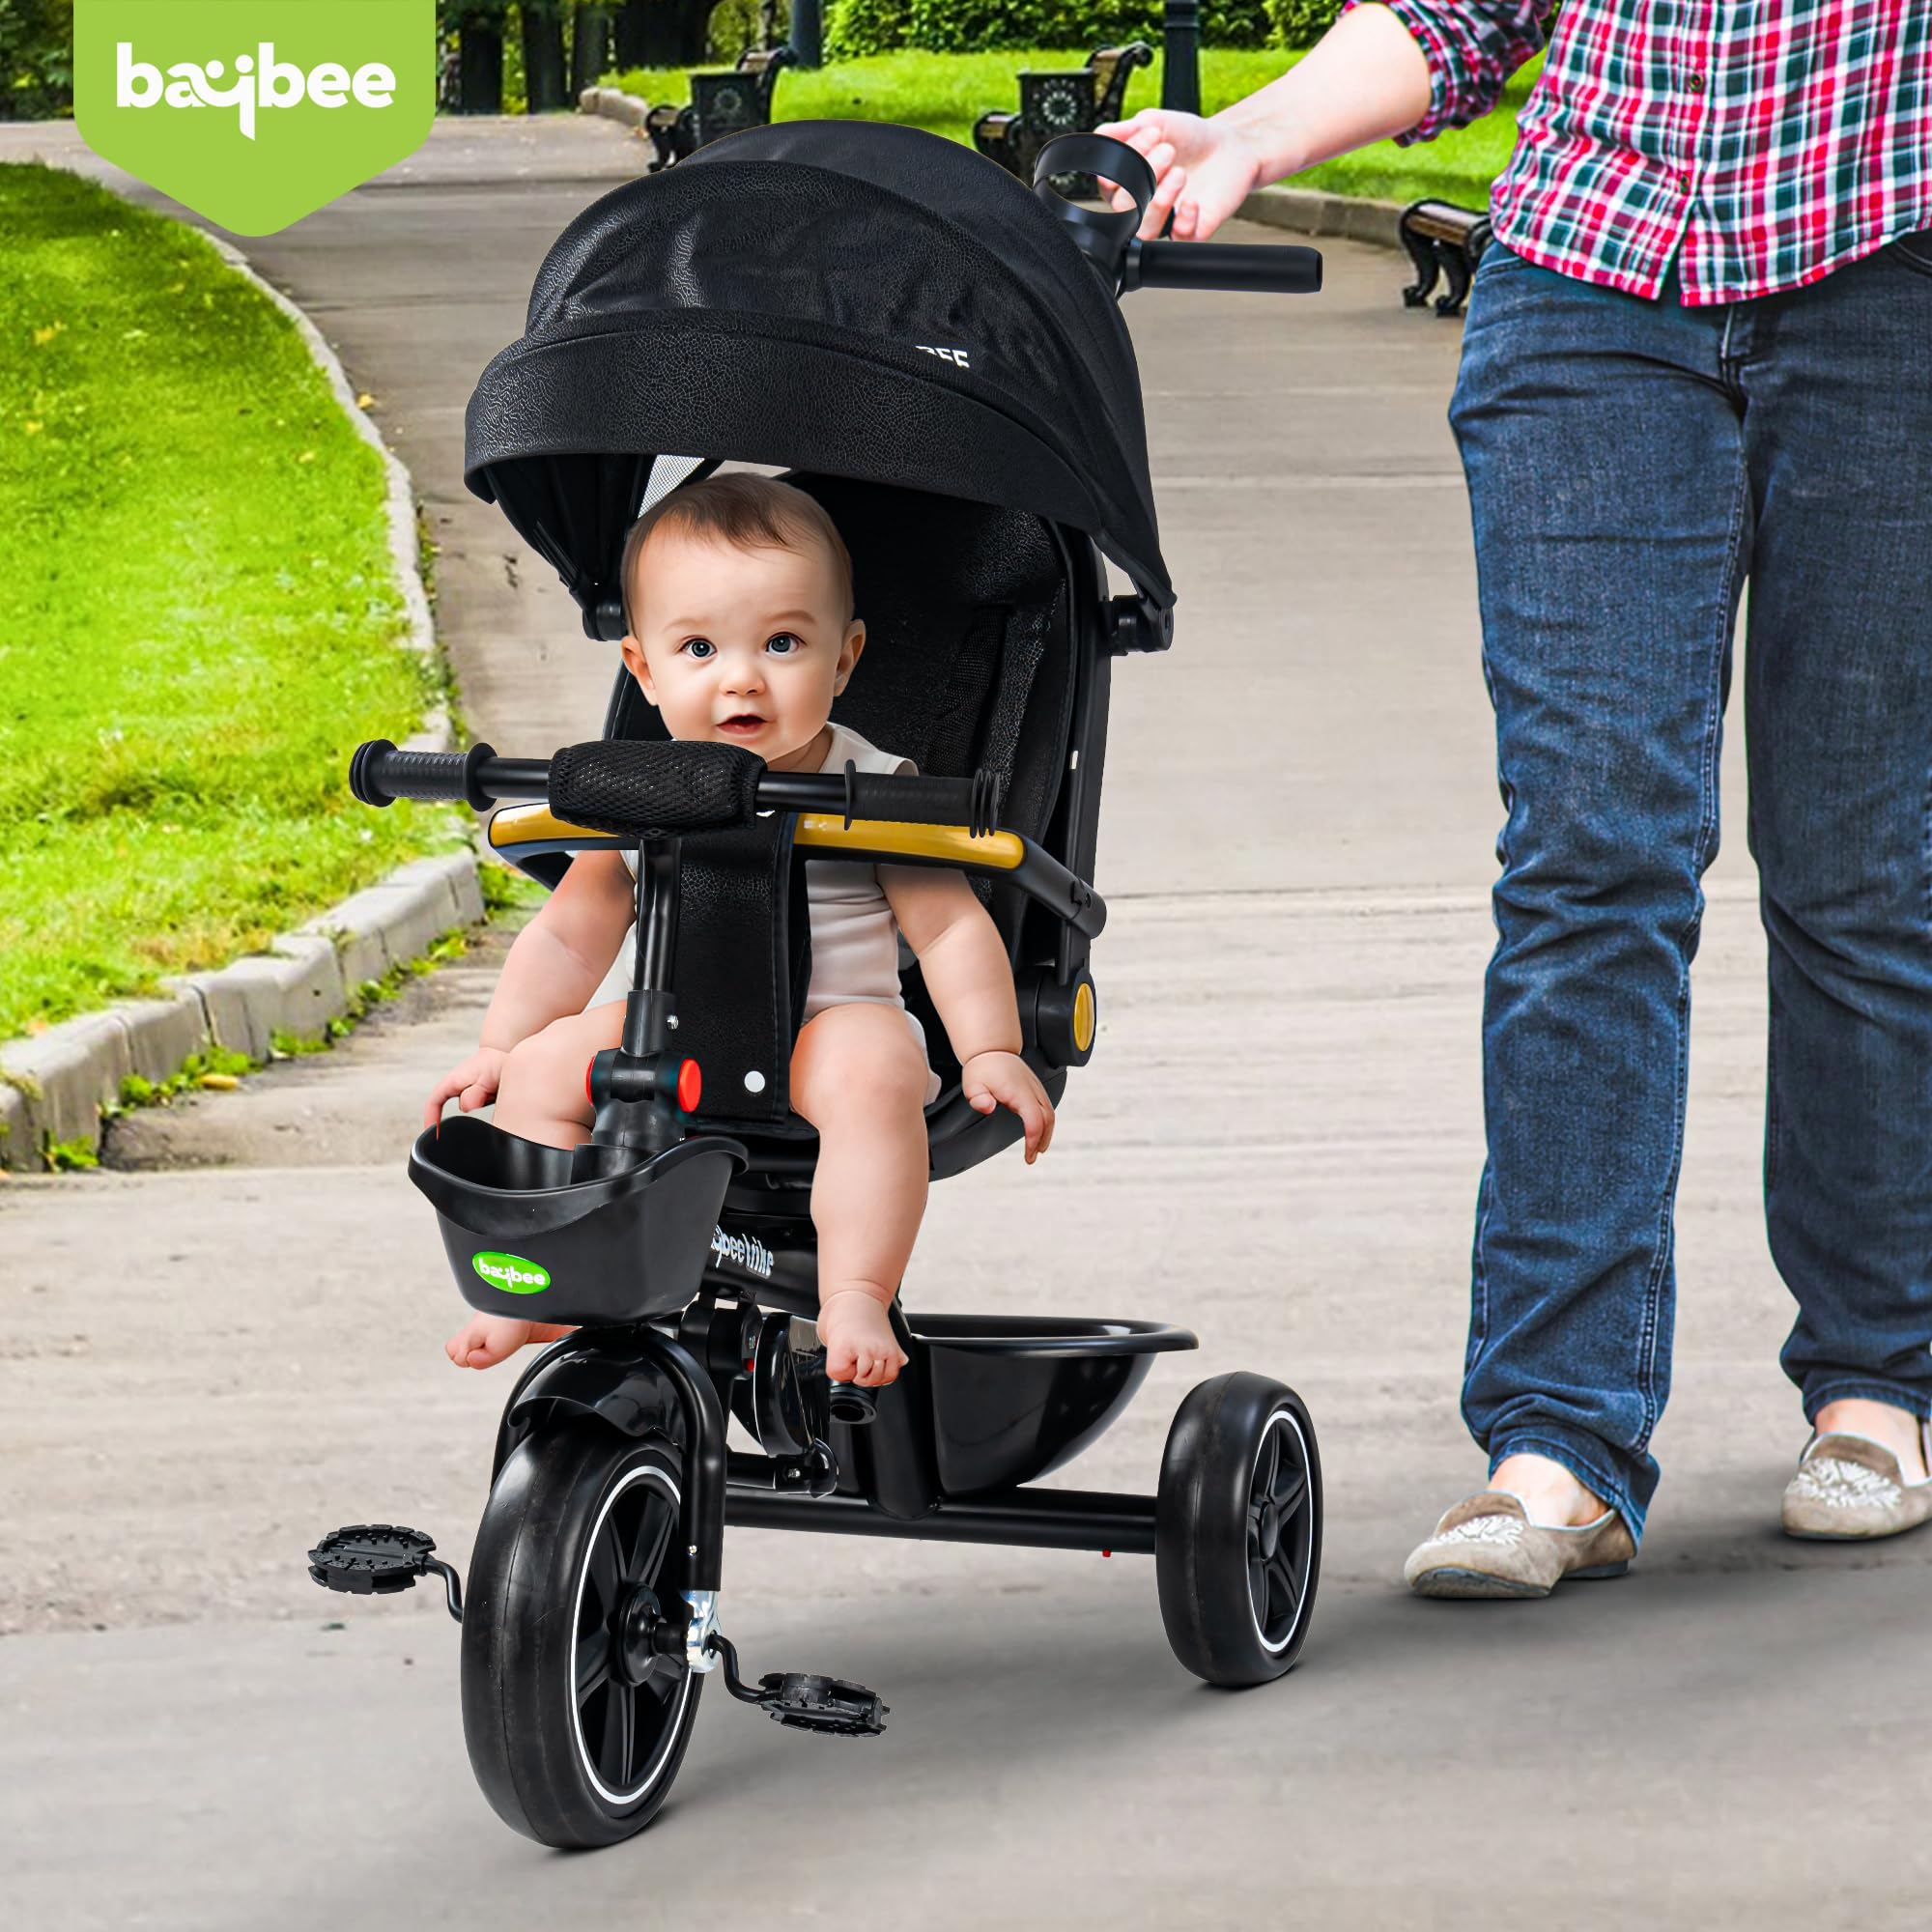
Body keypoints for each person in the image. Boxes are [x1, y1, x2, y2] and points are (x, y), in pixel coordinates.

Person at [1102, 2, 1932, 1595]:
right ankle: (1559, 1441)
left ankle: (1880, 1388)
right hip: (1589, 292)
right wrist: (1251, 134)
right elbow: (1461, 14)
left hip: (1889, 278)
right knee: (1587, 862)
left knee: (1862, 864)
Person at [426, 474, 1055, 1388]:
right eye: (699, 648)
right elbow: (569, 935)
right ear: (644, 669)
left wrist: (991, 1049)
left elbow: (951, 928)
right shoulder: (638, 790)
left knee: (874, 1073)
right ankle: (550, 1276)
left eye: (783, 643)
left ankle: (854, 1290)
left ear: (845, 658)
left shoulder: (876, 787)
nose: (741, 677)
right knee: (539, 1073)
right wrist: (501, 1043)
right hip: (670, 1027)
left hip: (825, 1027)